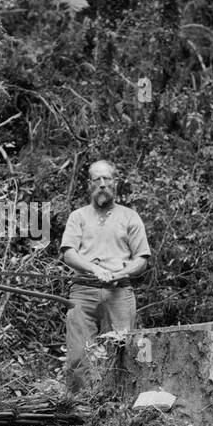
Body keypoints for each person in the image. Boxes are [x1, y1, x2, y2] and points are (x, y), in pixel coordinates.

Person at [59, 159, 151, 392]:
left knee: (123, 353)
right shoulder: (78, 216)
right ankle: (79, 412)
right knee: (78, 357)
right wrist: (95, 269)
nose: (102, 184)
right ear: (89, 185)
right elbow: (69, 254)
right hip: (82, 290)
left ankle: (118, 410)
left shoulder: (129, 217)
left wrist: (119, 273)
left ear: (115, 183)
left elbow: (142, 259)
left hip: (119, 292)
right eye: (96, 180)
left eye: (106, 179)